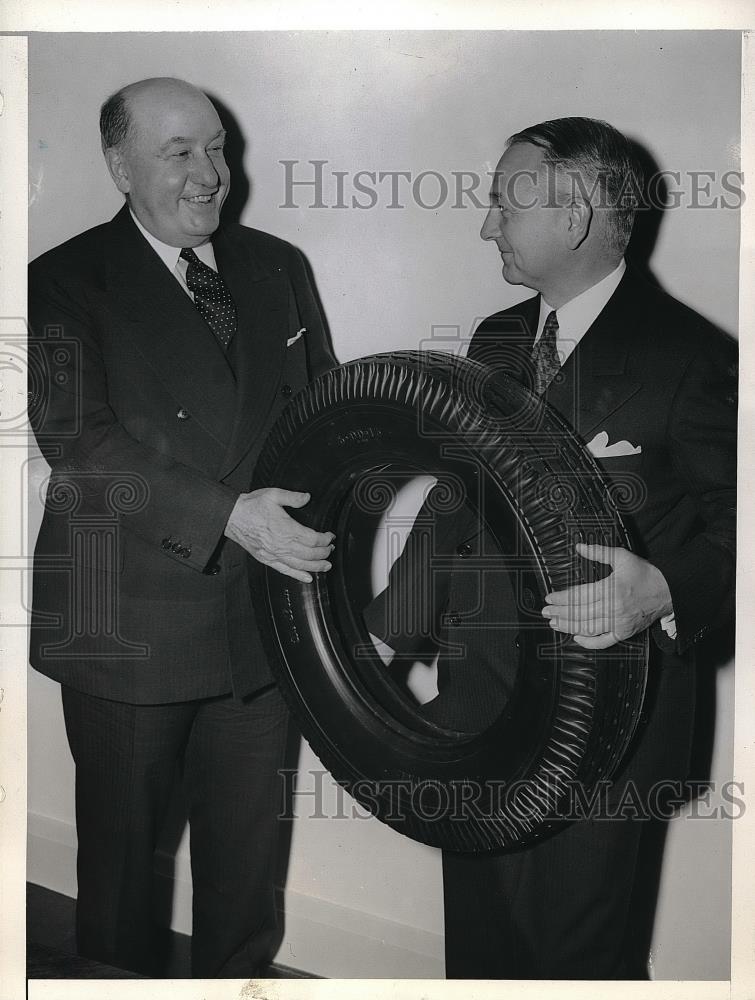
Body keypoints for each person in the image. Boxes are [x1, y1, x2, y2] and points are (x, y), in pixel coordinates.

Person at [366, 117, 736, 978]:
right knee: (483, 951)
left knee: (577, 963)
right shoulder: (497, 336)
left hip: (607, 728)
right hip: (477, 710)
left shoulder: (694, 357)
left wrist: (667, 589)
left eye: (502, 201)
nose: (485, 223)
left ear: (571, 218)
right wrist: (387, 634)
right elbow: (455, 503)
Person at [28, 76, 337, 978]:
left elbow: (320, 416)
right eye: (179, 154)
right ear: (120, 167)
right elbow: (80, 443)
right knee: (124, 878)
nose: (211, 174)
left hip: (261, 624)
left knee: (247, 873)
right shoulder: (59, 280)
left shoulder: (278, 264)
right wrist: (230, 516)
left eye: (217, 148)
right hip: (126, 622)